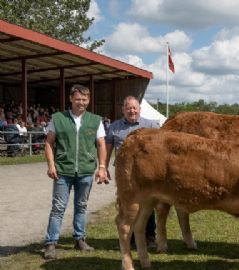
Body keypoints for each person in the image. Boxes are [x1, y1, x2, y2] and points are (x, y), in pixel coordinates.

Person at [43, 84, 108, 260]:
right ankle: (51, 243)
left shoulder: (95, 120)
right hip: (63, 170)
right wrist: (51, 165)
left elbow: (101, 144)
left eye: (85, 99)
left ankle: (79, 239)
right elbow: (49, 143)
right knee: (58, 207)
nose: (81, 102)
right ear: (71, 99)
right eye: (78, 99)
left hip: (86, 171)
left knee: (81, 206)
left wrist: (102, 167)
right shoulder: (58, 118)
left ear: (89, 100)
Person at [105, 96, 160, 248]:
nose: (132, 111)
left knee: (147, 203)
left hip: (146, 174)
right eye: (128, 108)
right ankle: (128, 239)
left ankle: (149, 237)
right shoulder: (114, 127)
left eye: (134, 108)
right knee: (126, 204)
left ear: (139, 109)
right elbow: (108, 148)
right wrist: (103, 167)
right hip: (125, 175)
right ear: (123, 110)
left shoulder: (151, 125)